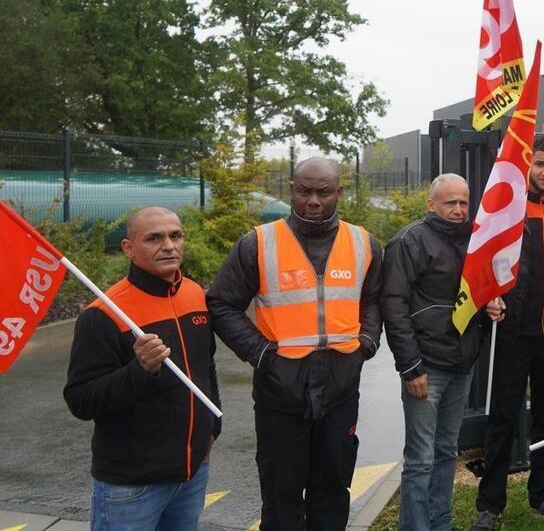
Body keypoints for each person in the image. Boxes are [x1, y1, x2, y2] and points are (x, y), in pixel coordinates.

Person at [207, 157, 383, 531]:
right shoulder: (258, 242)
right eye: (305, 191)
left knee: (333, 490)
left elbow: (374, 300)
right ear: (291, 189)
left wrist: (365, 343)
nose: (313, 201)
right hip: (279, 394)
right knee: (281, 497)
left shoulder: (364, 242)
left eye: (323, 192)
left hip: (339, 392)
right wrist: (261, 354)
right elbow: (221, 303)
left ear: (340, 192)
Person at [65, 206, 220, 531]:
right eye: (154, 238)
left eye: (175, 236)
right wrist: (140, 370)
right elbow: (81, 400)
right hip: (132, 485)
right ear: (128, 248)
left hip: (192, 473)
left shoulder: (195, 295)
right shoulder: (103, 314)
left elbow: (205, 368)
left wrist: (210, 431)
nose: (168, 245)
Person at [470, 135, 544, 530]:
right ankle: (490, 504)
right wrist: (488, 297)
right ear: (527, 166)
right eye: (540, 164)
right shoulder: (505, 209)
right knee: (502, 417)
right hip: (513, 331)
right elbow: (479, 259)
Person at [381, 173, 487, 531]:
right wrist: (411, 367)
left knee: (446, 452)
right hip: (426, 367)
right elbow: (393, 306)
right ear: (431, 204)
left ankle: (440, 523)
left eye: (463, 202)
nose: (458, 210)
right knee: (421, 459)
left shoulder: (475, 239)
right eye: (450, 203)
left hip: (462, 364)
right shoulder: (409, 242)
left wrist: (492, 305)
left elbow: (479, 289)